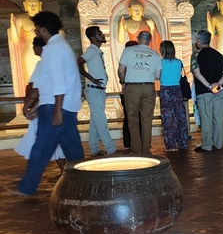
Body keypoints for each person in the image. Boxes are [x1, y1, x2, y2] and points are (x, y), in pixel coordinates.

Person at [14, 11, 85, 197]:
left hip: (56, 106)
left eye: (36, 27)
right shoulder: (61, 47)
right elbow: (50, 83)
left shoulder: (52, 49)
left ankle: (27, 187)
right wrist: (38, 107)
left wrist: (56, 111)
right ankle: (86, 182)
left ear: (43, 29)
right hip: (63, 105)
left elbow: (58, 82)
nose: (35, 30)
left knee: (41, 148)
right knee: (72, 149)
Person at [15, 37, 66, 173]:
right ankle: (63, 171)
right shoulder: (57, 64)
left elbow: (36, 89)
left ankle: (32, 174)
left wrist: (27, 107)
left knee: (40, 140)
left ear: (39, 48)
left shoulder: (42, 64)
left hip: (45, 108)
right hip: (57, 106)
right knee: (54, 141)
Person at [118, 30, 162, 156]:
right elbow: (158, 76)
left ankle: (137, 152)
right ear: (150, 40)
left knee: (132, 120)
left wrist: (123, 81)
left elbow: (121, 70)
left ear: (138, 38)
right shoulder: (155, 54)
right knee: (147, 120)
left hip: (132, 87)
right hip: (148, 87)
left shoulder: (128, 51)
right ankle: (146, 151)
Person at [77, 25, 116, 156]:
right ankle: (111, 149)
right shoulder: (92, 51)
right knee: (101, 121)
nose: (103, 35)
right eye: (100, 33)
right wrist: (91, 78)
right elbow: (78, 62)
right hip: (94, 90)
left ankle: (94, 150)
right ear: (93, 37)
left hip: (98, 90)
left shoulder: (96, 51)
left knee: (95, 121)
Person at [192, 29, 223, 152]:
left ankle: (207, 145)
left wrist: (209, 86)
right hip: (219, 90)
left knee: (206, 118)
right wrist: (218, 84)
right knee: (218, 118)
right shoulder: (219, 54)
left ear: (199, 41)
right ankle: (219, 144)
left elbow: (197, 73)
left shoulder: (196, 55)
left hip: (204, 91)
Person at [158, 40, 189, 152]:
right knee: (180, 116)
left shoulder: (160, 63)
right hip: (177, 90)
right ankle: (182, 142)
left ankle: (170, 145)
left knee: (168, 118)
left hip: (165, 90)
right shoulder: (179, 62)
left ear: (163, 50)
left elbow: (157, 76)